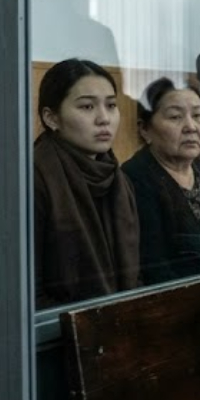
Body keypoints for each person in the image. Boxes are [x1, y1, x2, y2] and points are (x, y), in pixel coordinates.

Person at [33, 58, 140, 309]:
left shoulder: (120, 179)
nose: (104, 119)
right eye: (87, 107)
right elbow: (28, 292)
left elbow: (139, 276)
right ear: (51, 118)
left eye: (111, 105)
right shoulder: (34, 178)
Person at [121, 78, 200, 285]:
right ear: (145, 129)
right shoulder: (134, 179)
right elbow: (155, 271)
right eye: (175, 117)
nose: (191, 127)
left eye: (198, 115)